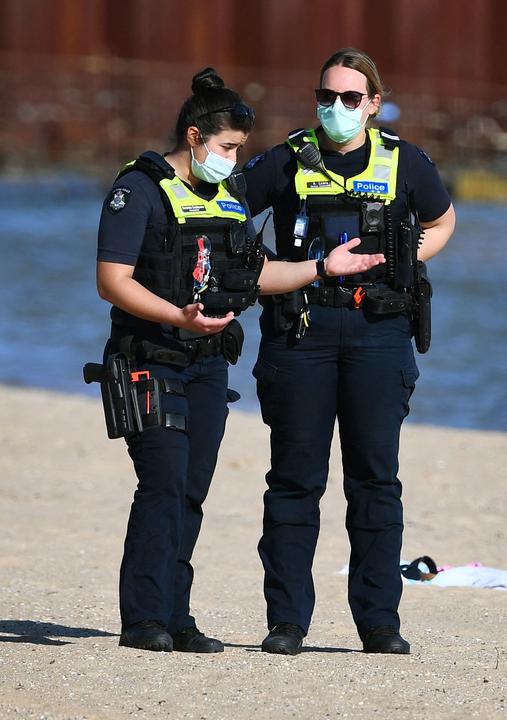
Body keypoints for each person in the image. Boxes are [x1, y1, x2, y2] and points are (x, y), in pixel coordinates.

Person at [94, 68, 382, 653]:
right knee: (163, 483)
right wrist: (178, 317)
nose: (233, 159)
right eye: (227, 148)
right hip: (149, 357)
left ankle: (176, 615)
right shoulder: (138, 190)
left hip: (207, 363)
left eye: (239, 150)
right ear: (195, 138)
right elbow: (111, 281)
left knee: (193, 490)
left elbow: (256, 274)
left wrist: (324, 268)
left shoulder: (224, 201)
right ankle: (144, 618)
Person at [241, 48, 456, 656]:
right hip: (301, 336)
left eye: (350, 98)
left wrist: (405, 259)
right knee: (293, 483)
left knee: (374, 483)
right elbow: (225, 216)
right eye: (326, 97)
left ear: (373, 104)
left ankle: (379, 624)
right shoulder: (285, 161)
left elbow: (443, 222)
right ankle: (286, 622)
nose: (336, 108)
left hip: (378, 335)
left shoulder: (404, 162)